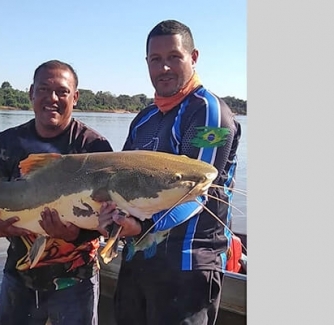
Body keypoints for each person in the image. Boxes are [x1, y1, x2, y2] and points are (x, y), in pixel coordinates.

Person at [97, 19, 242, 325]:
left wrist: (142, 228)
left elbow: (196, 191)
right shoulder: (144, 118)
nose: (164, 68)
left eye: (174, 57)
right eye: (156, 60)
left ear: (194, 57)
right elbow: (119, 180)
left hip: (187, 266)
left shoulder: (208, 112)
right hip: (137, 261)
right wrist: (110, 218)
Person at [0, 59, 113, 325]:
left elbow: (107, 218)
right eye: (43, 89)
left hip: (76, 281)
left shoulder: (93, 148)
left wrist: (74, 234)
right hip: (19, 276)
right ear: (31, 93)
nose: (52, 98)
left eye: (62, 92)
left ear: (75, 97)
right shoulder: (8, 142)